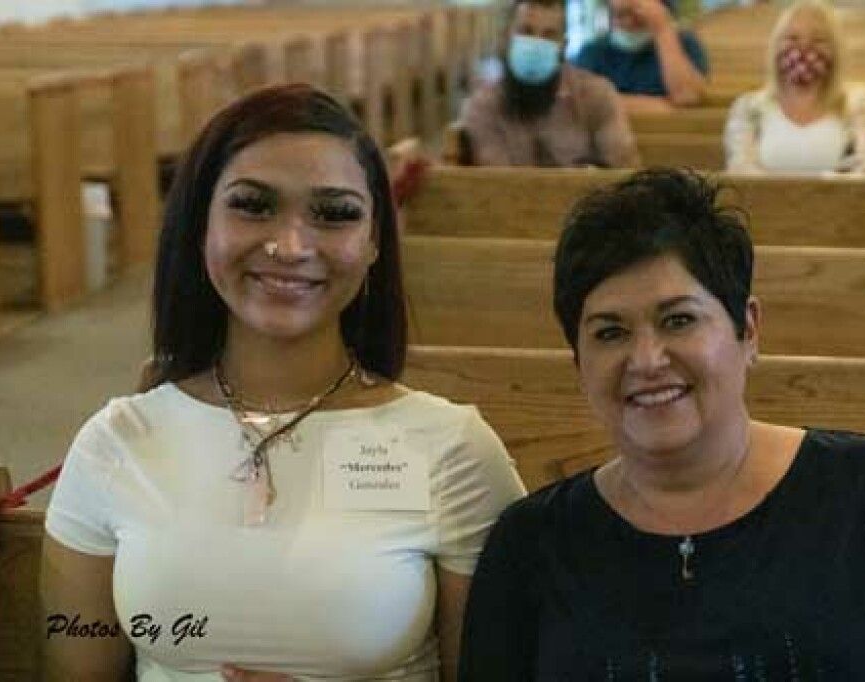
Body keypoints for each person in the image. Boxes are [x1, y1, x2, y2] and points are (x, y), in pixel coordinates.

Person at [41, 84, 526, 682]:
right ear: (200, 225)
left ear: (374, 241)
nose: (291, 246)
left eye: (335, 213)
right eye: (253, 204)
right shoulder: (116, 444)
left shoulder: (453, 449)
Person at [457, 168, 865, 679]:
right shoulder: (532, 544)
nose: (647, 360)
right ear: (578, 363)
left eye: (678, 321)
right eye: (609, 333)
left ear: (748, 329)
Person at [460, 0, 640, 168]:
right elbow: (495, 185)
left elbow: (624, 173)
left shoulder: (596, 95)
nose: (536, 44)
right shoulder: (483, 106)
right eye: (526, 31)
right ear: (505, 38)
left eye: (549, 35)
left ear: (564, 45)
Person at [724, 0, 865, 174]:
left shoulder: (857, 107)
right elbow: (741, 171)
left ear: (835, 50)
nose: (804, 48)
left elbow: (861, 171)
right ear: (776, 46)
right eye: (792, 38)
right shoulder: (749, 108)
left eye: (818, 40)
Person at [573, 0, 709, 111]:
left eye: (636, 15)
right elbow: (580, 102)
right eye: (620, 15)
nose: (627, 23)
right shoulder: (593, 51)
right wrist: (658, 106)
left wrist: (662, 29)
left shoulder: (684, 43)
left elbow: (687, 96)